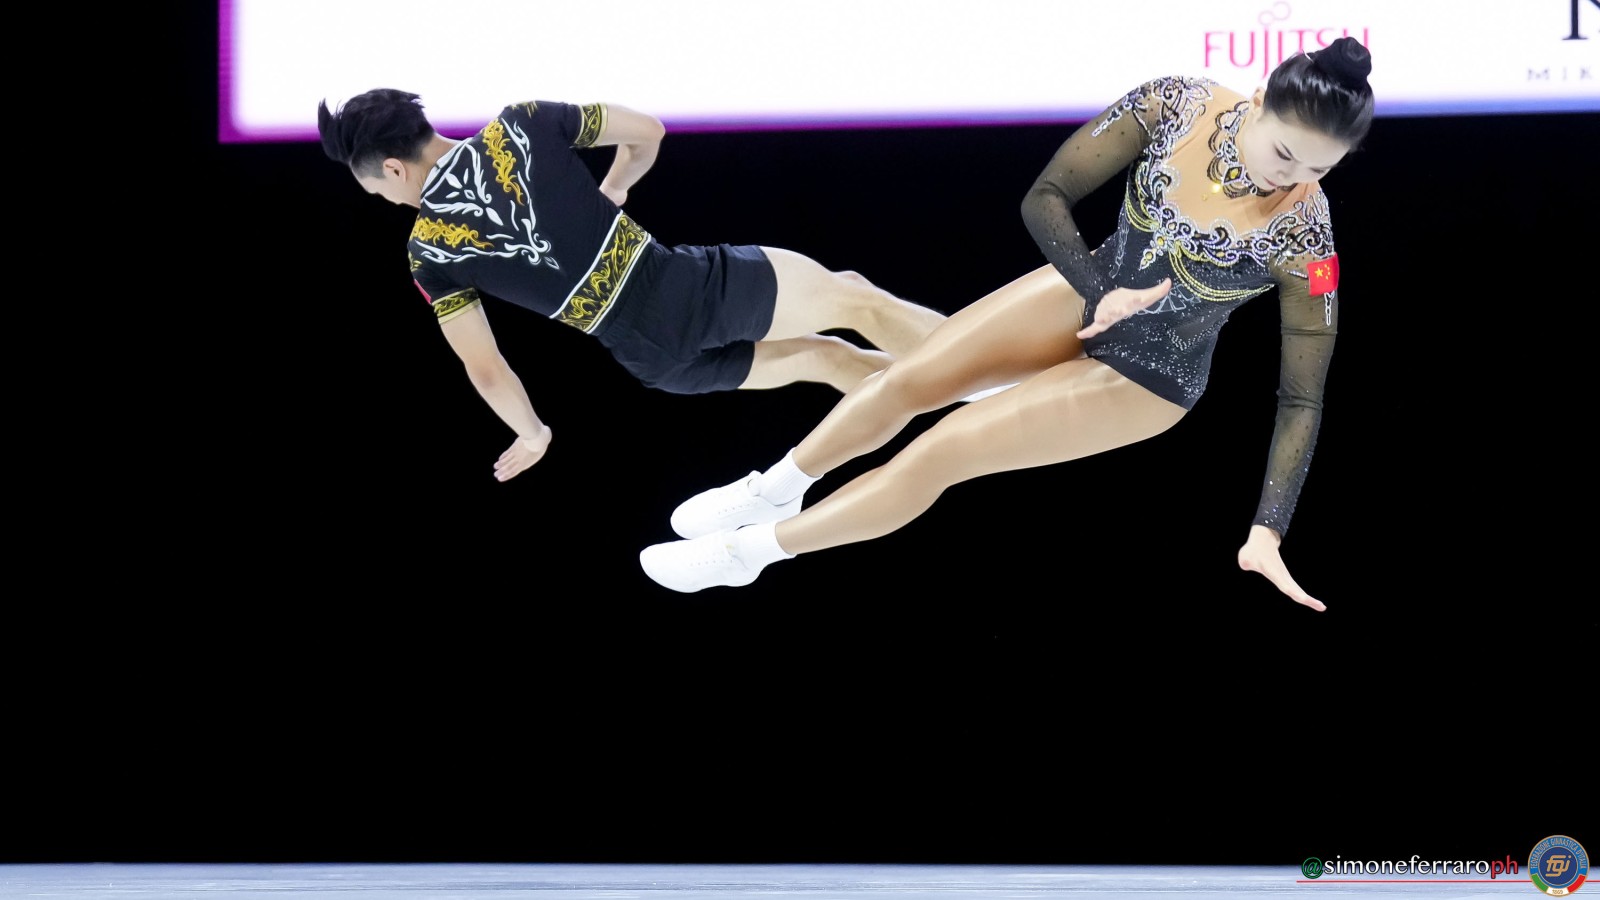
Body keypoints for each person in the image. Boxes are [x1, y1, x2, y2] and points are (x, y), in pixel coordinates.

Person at [639, 38, 1376, 611]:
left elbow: (1302, 396)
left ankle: (752, 553)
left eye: (1319, 169)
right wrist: (1099, 290)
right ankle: (775, 486)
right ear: (1257, 100)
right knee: (910, 378)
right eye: (1285, 153)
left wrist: (1267, 527)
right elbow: (1046, 196)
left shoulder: (1308, 243)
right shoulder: (1177, 103)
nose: (1291, 179)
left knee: (941, 450)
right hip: (1088, 286)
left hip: (1150, 376)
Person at [317, 90, 950, 482]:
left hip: (654, 359)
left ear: (393, 169)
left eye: (379, 193)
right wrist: (614, 187)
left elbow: (485, 369)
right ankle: (990, 372)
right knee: (857, 299)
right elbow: (649, 131)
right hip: (684, 290)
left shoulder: (427, 254)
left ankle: (961, 414)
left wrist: (533, 434)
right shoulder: (522, 124)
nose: (389, 201)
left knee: (827, 358)